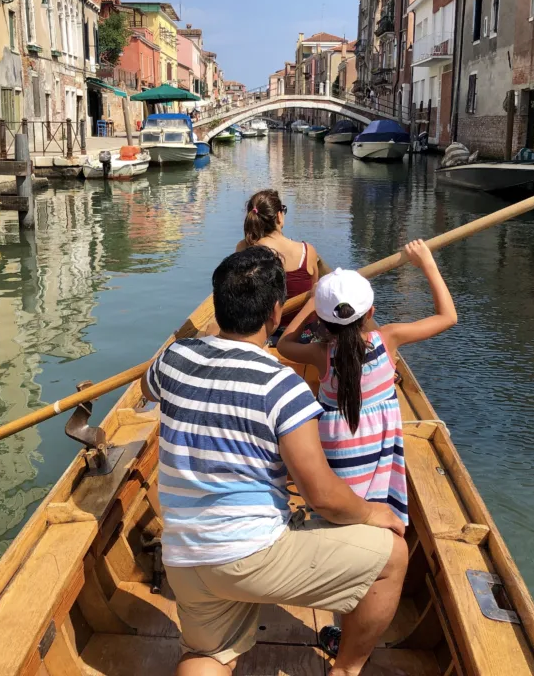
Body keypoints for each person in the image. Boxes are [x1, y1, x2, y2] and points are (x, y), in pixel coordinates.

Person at [141, 246, 408, 676]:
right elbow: (321, 496)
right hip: (250, 555)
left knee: (206, 654)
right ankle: (346, 670)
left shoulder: (173, 359)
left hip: (184, 558)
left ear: (218, 304)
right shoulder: (283, 386)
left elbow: (146, 386)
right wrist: (373, 512)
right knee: (394, 555)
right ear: (276, 312)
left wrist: (202, 339)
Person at [277, 238, 457, 535]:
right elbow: (448, 316)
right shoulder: (388, 339)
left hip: (335, 475)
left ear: (323, 320)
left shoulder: (320, 354)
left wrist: (311, 302)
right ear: (370, 313)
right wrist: (427, 263)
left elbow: (284, 344)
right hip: (377, 466)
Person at [236, 189, 319, 307]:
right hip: (305, 325)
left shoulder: (243, 248)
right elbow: (315, 293)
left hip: (262, 325)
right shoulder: (307, 251)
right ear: (279, 216)